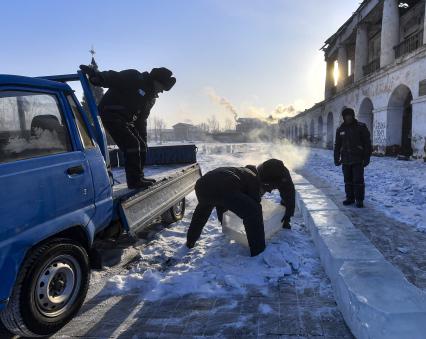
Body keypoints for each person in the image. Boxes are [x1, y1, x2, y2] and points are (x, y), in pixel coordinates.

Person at [79, 65, 176, 189]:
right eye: (162, 87)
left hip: (126, 120)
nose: (161, 91)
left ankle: (139, 177)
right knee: (132, 144)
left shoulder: (150, 99)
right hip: (110, 113)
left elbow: (141, 121)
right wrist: (97, 77)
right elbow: (114, 77)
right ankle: (134, 181)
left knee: (141, 146)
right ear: (156, 81)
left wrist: (143, 140)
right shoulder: (135, 77)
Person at [186, 159, 295, 257]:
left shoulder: (244, 172)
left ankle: (190, 241)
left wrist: (287, 217)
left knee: (202, 212)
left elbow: (223, 200)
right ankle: (258, 251)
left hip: (202, 185)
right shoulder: (254, 179)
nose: (265, 192)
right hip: (224, 187)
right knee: (253, 212)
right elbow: (254, 205)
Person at [334, 108, 372, 208]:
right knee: (347, 180)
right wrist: (336, 158)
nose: (348, 117)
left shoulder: (361, 127)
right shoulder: (340, 129)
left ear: (353, 115)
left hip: (358, 159)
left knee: (358, 180)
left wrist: (367, 157)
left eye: (350, 115)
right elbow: (337, 145)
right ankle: (350, 198)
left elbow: (367, 144)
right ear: (343, 117)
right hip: (345, 159)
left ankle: (359, 200)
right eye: (346, 116)